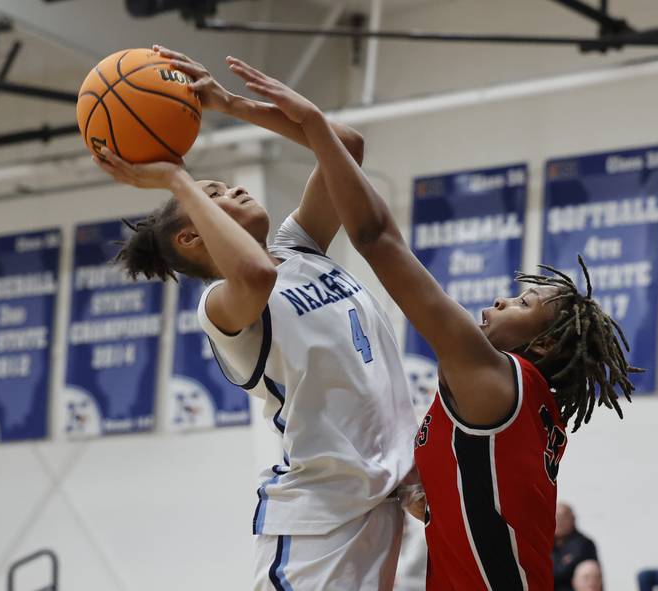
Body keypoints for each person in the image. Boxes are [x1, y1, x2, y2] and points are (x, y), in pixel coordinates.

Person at [219, 56, 639, 590]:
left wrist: (311, 122)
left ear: (550, 345)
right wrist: (417, 492)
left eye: (522, 304)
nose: (501, 301)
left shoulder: (493, 378)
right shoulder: (525, 409)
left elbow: (375, 237)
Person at [95, 46, 417, 591]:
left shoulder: (299, 248)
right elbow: (254, 276)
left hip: (394, 504)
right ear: (191, 235)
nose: (235, 189)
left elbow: (346, 148)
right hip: (321, 522)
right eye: (214, 194)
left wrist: (231, 105)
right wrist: (177, 181)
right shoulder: (222, 306)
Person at [554, 503, 599, 591]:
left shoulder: (584, 544)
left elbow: (594, 575)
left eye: (562, 517)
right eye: (555, 517)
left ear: (572, 519)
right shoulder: (545, 544)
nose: (558, 521)